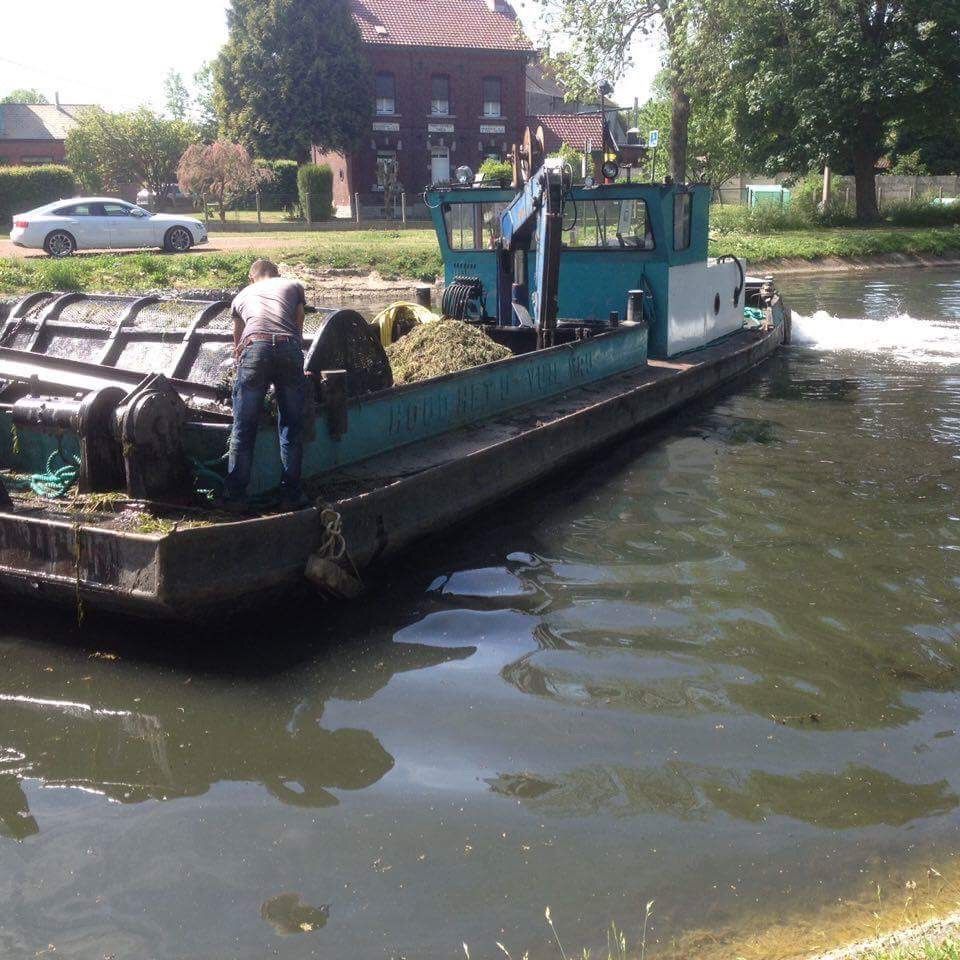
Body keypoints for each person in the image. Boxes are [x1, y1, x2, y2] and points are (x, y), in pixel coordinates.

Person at [223, 259, 309, 509]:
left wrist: (241, 362)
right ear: (276, 273)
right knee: (291, 425)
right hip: (287, 345)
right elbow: (299, 319)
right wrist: (293, 349)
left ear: (252, 278)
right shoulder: (292, 284)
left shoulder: (241, 295)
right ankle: (291, 495)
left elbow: (237, 337)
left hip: (254, 347)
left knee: (243, 425)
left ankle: (235, 496)